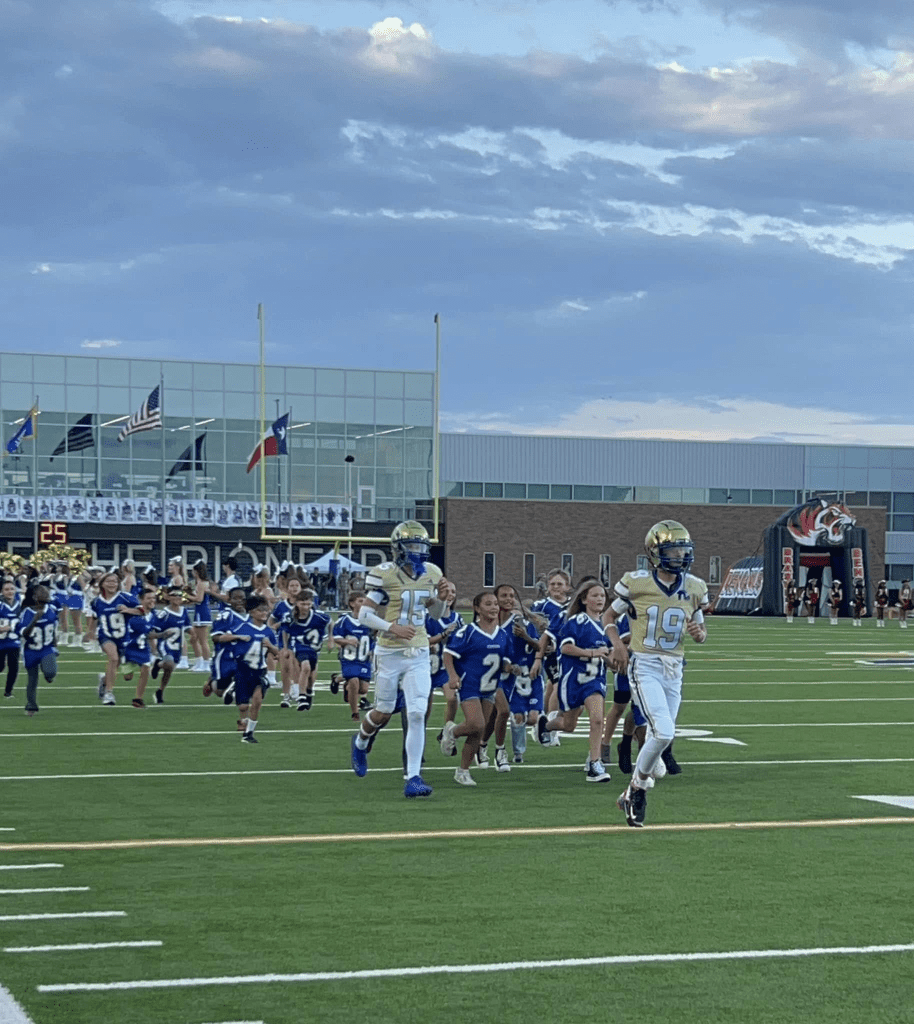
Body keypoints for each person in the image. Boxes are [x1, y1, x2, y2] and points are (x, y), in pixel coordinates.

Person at [606, 521, 709, 827]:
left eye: (682, 550)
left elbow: (702, 631)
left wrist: (698, 633)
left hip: (674, 668)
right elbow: (610, 615)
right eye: (672, 550)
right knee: (664, 732)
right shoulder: (636, 582)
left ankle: (630, 791)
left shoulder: (695, 587)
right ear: (654, 553)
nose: (679, 556)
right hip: (645, 664)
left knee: (658, 736)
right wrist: (617, 646)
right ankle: (637, 789)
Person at [350, 520, 450, 798]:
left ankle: (414, 777)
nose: (416, 551)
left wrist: (443, 600)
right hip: (390, 651)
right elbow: (364, 615)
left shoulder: (432, 573)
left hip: (418, 651)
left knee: (417, 713)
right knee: (383, 710)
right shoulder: (385, 575)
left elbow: (437, 615)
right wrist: (391, 627)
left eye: (420, 546)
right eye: (411, 545)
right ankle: (360, 741)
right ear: (398, 548)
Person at [536, 580, 612, 782]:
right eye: (594, 595)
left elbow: (611, 654)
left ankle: (595, 763)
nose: (599, 599)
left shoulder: (607, 624)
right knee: (568, 725)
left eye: (602, 596)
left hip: (595, 681)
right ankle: (546, 725)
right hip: (573, 681)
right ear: (584, 599)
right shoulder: (577, 621)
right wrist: (593, 652)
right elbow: (566, 648)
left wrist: (617, 661)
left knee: (597, 719)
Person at [440, 591, 513, 786]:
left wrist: (511, 668)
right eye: (488, 604)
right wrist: (453, 675)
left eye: (496, 604)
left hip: (490, 686)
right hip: (470, 684)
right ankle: (452, 732)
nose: (494, 607)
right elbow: (448, 653)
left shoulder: (503, 634)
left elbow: (504, 660)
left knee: (477, 732)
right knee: (477, 723)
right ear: (477, 608)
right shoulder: (469, 631)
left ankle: (462, 771)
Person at [219, 594, 280, 743]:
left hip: (260, 671)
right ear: (251, 612)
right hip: (243, 669)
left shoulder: (268, 632)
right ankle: (234, 688)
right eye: (260, 610)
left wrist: (271, 647)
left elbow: (277, 653)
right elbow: (222, 638)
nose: (264, 613)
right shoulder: (242, 627)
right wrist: (238, 638)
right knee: (243, 706)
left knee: (258, 701)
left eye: (266, 610)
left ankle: (248, 734)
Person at [93, 571, 141, 706]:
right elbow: (93, 616)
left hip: (125, 637)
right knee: (113, 658)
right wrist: (90, 633)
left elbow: (144, 610)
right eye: (108, 581)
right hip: (105, 635)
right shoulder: (96, 601)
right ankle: (109, 694)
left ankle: (104, 680)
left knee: (128, 676)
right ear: (102, 583)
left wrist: (129, 610)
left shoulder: (126, 598)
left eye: (114, 581)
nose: (112, 584)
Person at [280, 591, 330, 711]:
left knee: (312, 677)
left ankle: (308, 691)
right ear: (297, 603)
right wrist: (286, 648)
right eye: (303, 604)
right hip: (299, 645)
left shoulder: (319, 616)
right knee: (305, 667)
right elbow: (285, 631)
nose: (306, 607)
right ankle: (301, 697)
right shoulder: (290, 616)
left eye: (308, 604)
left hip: (314, 648)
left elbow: (330, 623)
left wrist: (331, 638)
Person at [332, 590, 375, 721]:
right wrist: (347, 641)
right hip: (349, 658)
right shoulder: (344, 620)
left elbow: (373, 638)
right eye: (360, 601)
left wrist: (372, 651)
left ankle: (339, 680)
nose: (363, 604)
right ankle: (355, 712)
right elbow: (336, 638)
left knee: (363, 689)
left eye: (365, 601)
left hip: (364, 659)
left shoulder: (370, 620)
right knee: (354, 681)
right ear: (352, 604)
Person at [17, 584, 58, 716]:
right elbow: (24, 634)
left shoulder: (52, 609)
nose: (46, 594)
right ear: (35, 596)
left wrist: (55, 646)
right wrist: (34, 620)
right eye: (42, 592)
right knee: (32, 679)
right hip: (31, 650)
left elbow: (53, 629)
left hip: (46, 648)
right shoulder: (27, 612)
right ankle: (31, 705)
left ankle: (49, 675)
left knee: (50, 672)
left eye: (47, 592)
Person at [151, 586, 191, 703]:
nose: (178, 597)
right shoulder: (164, 614)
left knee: (169, 670)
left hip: (177, 646)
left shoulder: (184, 611)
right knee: (169, 664)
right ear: (168, 597)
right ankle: (158, 664)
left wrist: (193, 635)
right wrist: (161, 635)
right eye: (175, 595)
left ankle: (160, 691)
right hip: (165, 645)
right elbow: (153, 632)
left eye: (180, 595)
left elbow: (188, 628)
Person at [0, 579, 21, 699]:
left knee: (14, 667)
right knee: (0, 666)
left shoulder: (20, 604)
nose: (10, 592)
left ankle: (8, 691)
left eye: (12, 589)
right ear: (2, 592)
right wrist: (3, 628)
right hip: (1, 642)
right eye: (7, 589)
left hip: (14, 642)